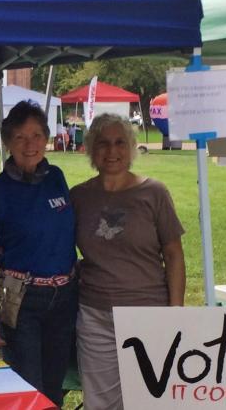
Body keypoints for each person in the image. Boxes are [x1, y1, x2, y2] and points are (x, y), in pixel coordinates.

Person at [70, 113, 185, 410]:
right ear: (91, 149)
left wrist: (176, 311)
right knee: (100, 401)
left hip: (147, 311)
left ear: (132, 147)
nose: (112, 151)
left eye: (120, 142)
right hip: (95, 314)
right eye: (103, 143)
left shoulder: (154, 193)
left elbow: (174, 254)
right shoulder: (79, 197)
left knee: (149, 397)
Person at [0, 101, 77, 407]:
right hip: (19, 297)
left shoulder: (56, 177)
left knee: (54, 385)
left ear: (46, 138)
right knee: (28, 387)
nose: (30, 144)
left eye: (36, 135)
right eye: (20, 137)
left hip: (64, 296)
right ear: (7, 142)